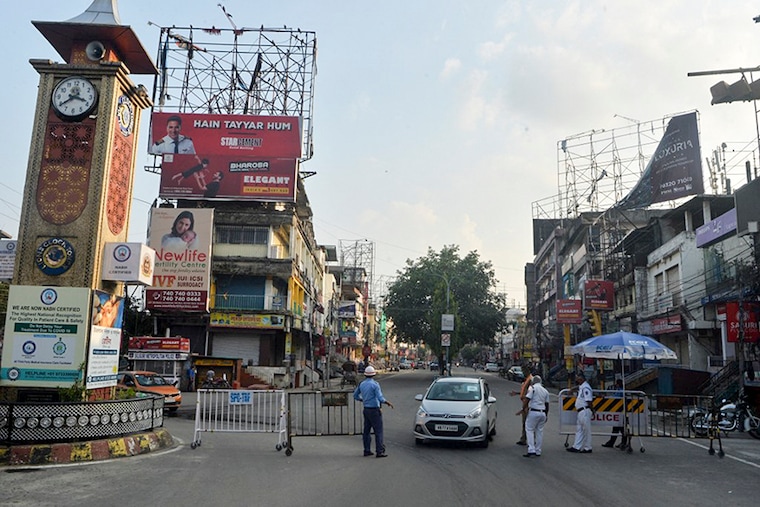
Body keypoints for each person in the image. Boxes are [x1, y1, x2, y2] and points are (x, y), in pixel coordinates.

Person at [353, 365, 393, 458]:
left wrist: (362, 399)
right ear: (373, 375)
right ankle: (379, 451)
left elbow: (355, 395)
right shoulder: (375, 385)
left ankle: (366, 450)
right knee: (378, 431)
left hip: (366, 409)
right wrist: (387, 402)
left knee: (366, 431)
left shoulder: (361, 384)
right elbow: (380, 398)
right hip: (374, 410)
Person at [520, 375, 550, 457]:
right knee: (539, 431)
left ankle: (531, 450)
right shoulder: (545, 391)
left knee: (529, 430)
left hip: (534, 411)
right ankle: (538, 450)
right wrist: (546, 415)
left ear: (533, 381)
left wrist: (523, 408)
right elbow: (547, 404)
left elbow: (527, 399)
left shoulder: (532, 388)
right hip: (543, 412)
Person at [567, 371, 594, 453]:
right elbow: (578, 387)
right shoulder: (582, 386)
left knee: (586, 430)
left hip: (585, 410)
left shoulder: (586, 388)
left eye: (577, 378)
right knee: (579, 430)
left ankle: (588, 447)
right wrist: (572, 389)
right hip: (580, 411)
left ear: (581, 379)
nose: (576, 379)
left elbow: (589, 400)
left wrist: (592, 410)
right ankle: (576, 446)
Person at [510, 363, 533, 446]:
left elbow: (531, 393)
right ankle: (523, 439)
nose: (523, 372)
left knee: (528, 424)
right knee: (524, 423)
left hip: (528, 405)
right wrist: (517, 393)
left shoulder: (531, 380)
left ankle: (530, 441)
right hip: (525, 403)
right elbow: (525, 391)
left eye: (524, 371)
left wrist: (524, 408)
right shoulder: (527, 379)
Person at [602, 379, 627, 449]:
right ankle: (622, 442)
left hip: (620, 412)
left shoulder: (620, 391)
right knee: (619, 429)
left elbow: (615, 398)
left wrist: (606, 398)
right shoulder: (622, 391)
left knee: (619, 428)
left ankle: (617, 443)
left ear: (618, 384)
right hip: (620, 412)